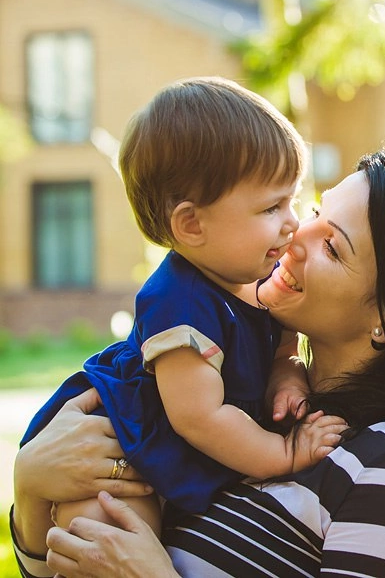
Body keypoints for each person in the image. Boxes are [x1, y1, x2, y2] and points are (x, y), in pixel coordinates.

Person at [12, 148, 385, 577]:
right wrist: (33, 492)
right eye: (313, 215)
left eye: (333, 247)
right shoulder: (240, 406)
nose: (294, 237)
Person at [19, 77, 343, 534]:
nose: (292, 222)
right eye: (271, 208)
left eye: (292, 199)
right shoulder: (180, 304)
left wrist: (286, 378)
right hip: (127, 445)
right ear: (192, 224)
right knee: (103, 522)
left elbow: (282, 350)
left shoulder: (261, 278)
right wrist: (283, 455)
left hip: (180, 454)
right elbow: (201, 418)